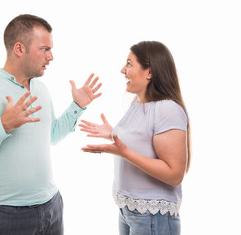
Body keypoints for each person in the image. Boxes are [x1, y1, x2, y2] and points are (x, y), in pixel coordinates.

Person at [0, 14, 101, 235]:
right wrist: (2, 126)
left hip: (51, 206)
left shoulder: (41, 89)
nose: (51, 57)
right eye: (45, 49)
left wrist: (77, 106)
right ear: (19, 49)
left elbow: (51, 136)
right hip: (5, 215)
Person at [79, 41, 191, 235]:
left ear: (150, 72)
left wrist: (125, 153)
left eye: (129, 64)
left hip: (153, 216)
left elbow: (175, 175)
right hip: (129, 210)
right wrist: (113, 133)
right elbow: (141, 141)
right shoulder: (137, 103)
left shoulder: (167, 109)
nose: (123, 69)